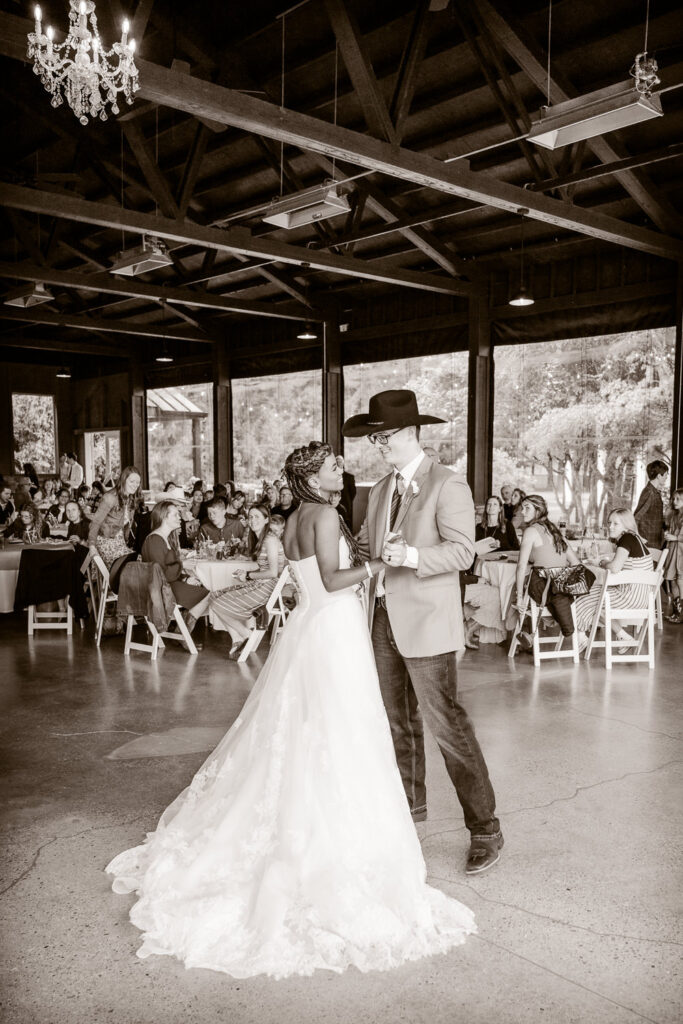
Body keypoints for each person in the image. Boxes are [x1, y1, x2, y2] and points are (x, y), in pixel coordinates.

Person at [106, 439, 475, 978]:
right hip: (332, 629)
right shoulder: (325, 514)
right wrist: (374, 565)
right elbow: (331, 580)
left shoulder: (298, 515)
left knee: (310, 727)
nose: (340, 469)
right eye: (332, 465)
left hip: (313, 628)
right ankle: (336, 828)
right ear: (312, 477)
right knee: (342, 727)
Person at [343, 389, 502, 875]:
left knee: (447, 725)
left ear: (412, 434)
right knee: (397, 723)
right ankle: (407, 817)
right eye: (374, 439)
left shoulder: (446, 485)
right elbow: (370, 547)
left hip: (428, 624)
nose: (378, 445)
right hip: (382, 619)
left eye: (384, 436)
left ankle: (485, 829)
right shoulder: (379, 490)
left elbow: (462, 553)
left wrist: (410, 557)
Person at [210, 504, 286, 658]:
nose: (252, 520)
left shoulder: (270, 539)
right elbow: (262, 564)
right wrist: (246, 572)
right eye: (250, 516)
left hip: (269, 588)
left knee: (216, 604)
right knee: (213, 596)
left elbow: (273, 572)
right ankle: (237, 639)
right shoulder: (261, 538)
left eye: (257, 516)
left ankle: (246, 635)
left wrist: (248, 575)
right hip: (262, 584)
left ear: (266, 520)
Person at [573, 508, 654, 650]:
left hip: (631, 596)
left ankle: (581, 637)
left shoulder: (627, 538)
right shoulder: (633, 537)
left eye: (615, 524)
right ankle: (623, 636)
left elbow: (615, 568)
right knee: (595, 596)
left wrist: (600, 563)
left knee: (583, 594)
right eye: (609, 522)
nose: (610, 526)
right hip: (641, 594)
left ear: (626, 525)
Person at [513, 495, 581, 648]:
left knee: (517, 588)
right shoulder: (555, 530)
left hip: (542, 585)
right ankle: (575, 630)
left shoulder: (530, 531)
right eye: (522, 508)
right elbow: (576, 563)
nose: (523, 512)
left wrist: (518, 597)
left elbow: (521, 566)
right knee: (555, 590)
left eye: (527, 508)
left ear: (538, 510)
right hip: (562, 586)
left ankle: (523, 634)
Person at [141, 500, 211, 632]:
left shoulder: (164, 538)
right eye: (175, 515)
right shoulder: (155, 540)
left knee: (208, 589)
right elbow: (161, 573)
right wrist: (183, 564)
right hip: (160, 589)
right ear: (163, 517)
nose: (180, 518)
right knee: (209, 595)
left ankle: (183, 629)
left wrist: (185, 578)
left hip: (167, 584)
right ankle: (183, 631)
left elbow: (168, 569)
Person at [88, 466, 143, 568]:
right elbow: (95, 522)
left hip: (120, 542)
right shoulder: (110, 497)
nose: (135, 485)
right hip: (105, 541)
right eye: (132, 481)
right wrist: (92, 546)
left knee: (139, 561)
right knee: (129, 566)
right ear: (123, 480)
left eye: (137, 482)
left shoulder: (131, 499)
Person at [633, 459, 669, 549]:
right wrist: (640, 538)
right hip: (647, 542)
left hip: (654, 541)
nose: (666, 477)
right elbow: (636, 517)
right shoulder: (650, 492)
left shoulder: (655, 492)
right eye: (665, 475)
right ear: (659, 476)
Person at [663, 488, 683, 623]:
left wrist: (675, 538)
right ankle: (677, 611)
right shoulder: (674, 515)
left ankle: (681, 613)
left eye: (678, 499)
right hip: (674, 550)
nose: (674, 501)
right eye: (674, 499)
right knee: (673, 580)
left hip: (681, 551)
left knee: (681, 580)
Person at [336, 455, 357, 529]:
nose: (339, 462)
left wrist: (347, 501)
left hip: (346, 503)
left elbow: (353, 492)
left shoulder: (349, 477)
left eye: (340, 461)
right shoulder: (332, 476)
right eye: (337, 461)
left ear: (343, 463)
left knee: (347, 523)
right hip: (334, 503)